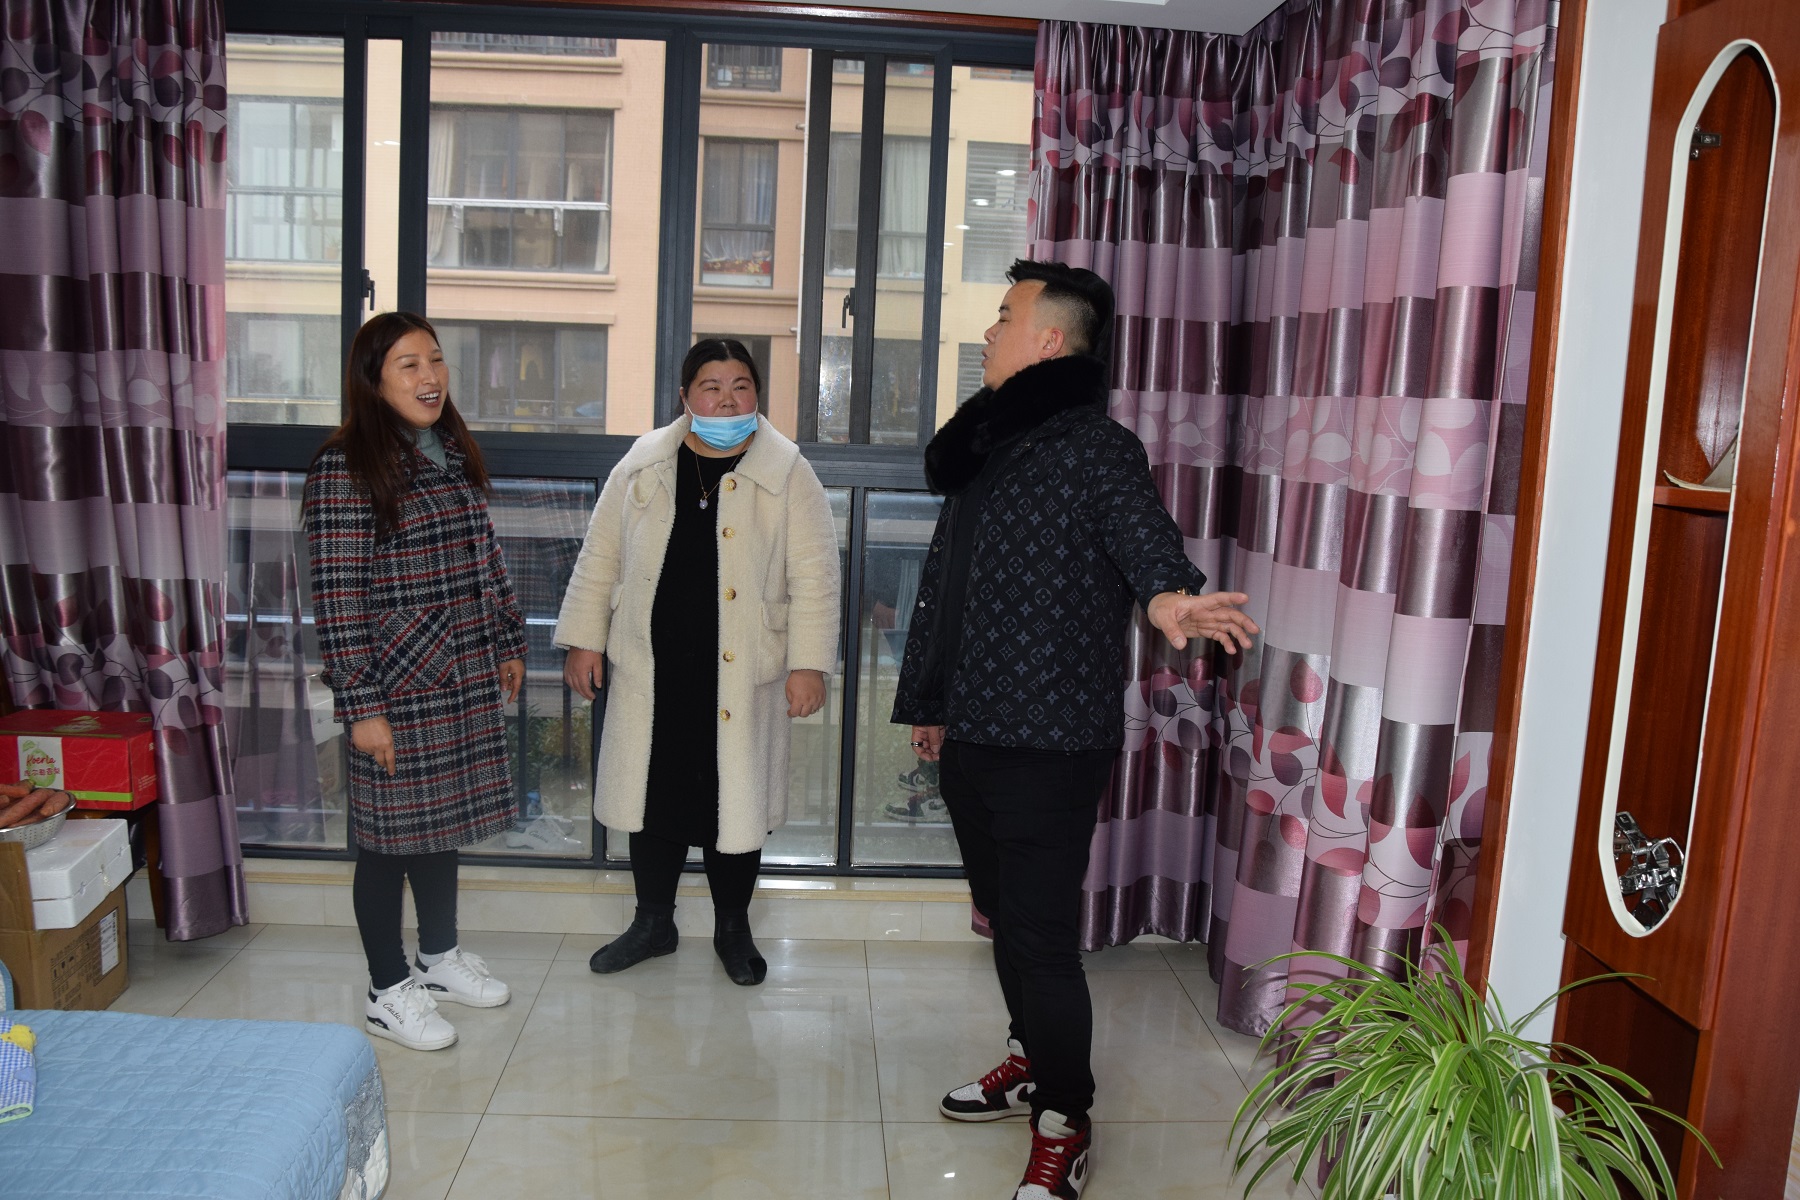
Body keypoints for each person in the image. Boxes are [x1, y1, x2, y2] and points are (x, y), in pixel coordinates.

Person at [893, 261, 1259, 1199]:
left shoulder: (1097, 448)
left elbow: (1142, 537)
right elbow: (949, 583)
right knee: (1003, 918)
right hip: (974, 729)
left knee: (1041, 937)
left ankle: (1065, 1118)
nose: (990, 331)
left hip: (1049, 741)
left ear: (1050, 339)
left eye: (1004, 317)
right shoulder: (991, 445)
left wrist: (1171, 599)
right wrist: (931, 702)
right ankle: (1030, 1058)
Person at [556, 339, 840, 986]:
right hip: (650, 667)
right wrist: (584, 639)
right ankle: (652, 923)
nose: (728, 400)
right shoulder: (643, 463)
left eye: (742, 386)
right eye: (712, 387)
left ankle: (732, 929)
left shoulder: (788, 471)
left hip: (743, 671)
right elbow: (600, 556)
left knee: (732, 801)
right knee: (649, 794)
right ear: (685, 396)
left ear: (757, 395)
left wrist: (809, 664)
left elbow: (817, 576)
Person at [303, 312, 526, 1053]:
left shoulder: (448, 450)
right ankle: (386, 989)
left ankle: (437, 959)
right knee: (386, 841)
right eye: (409, 364)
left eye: (435, 360)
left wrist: (507, 639)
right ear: (373, 380)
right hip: (397, 683)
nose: (430, 377)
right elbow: (337, 600)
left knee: (441, 822)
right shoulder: (345, 467)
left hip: (460, 669)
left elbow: (484, 555)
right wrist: (361, 706)